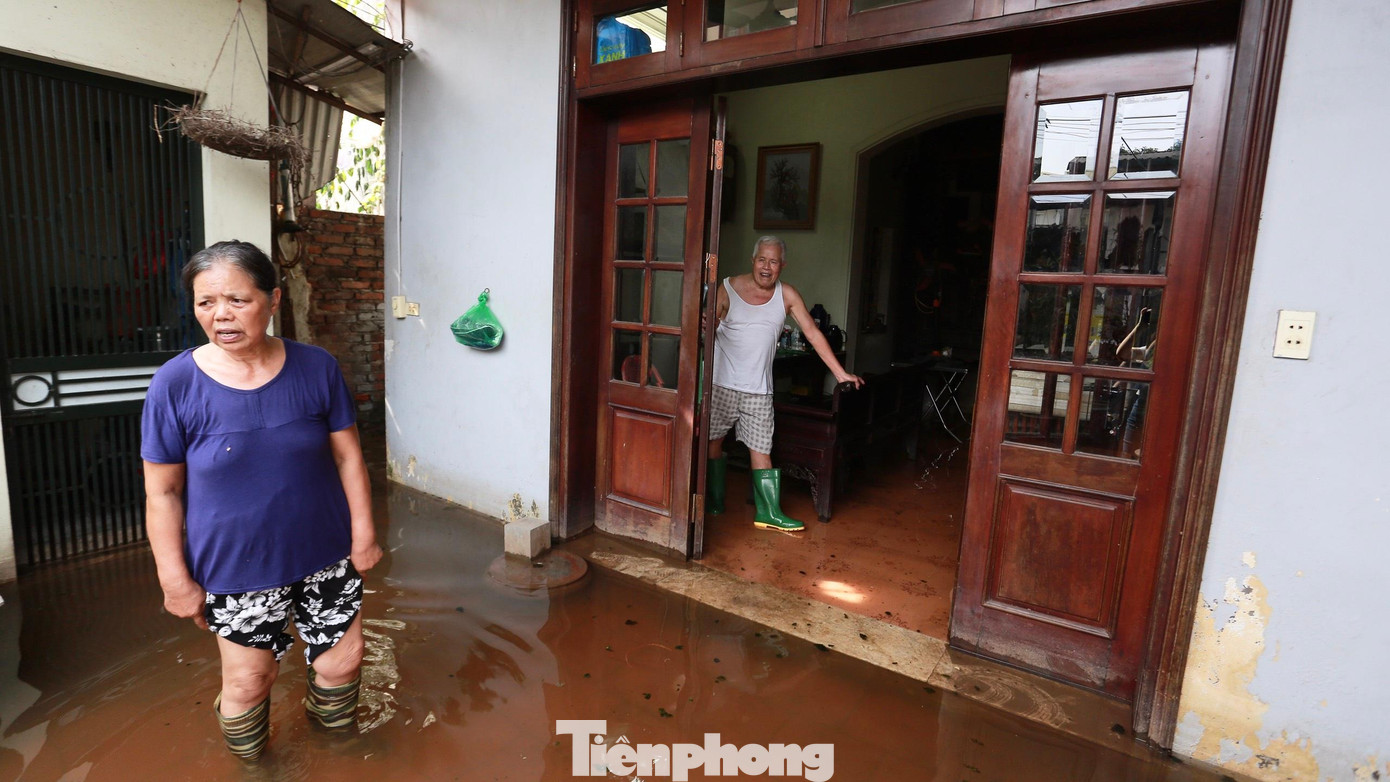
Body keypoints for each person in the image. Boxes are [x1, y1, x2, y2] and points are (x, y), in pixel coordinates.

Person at [141, 241, 382, 760]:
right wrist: (174, 579)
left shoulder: (316, 367)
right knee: (252, 679)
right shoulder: (175, 384)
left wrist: (363, 537)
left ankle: (338, 753)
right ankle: (255, 768)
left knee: (344, 661)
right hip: (236, 566)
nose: (220, 315)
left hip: (325, 553)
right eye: (206, 303)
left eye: (237, 300)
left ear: (272, 300)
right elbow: (163, 490)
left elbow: (348, 459)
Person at [706, 236, 863, 532]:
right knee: (713, 443)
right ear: (753, 260)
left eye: (774, 261)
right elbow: (705, 328)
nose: (767, 267)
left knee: (761, 448)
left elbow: (814, 335)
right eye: (762, 260)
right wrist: (707, 325)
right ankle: (714, 501)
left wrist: (841, 374)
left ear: (782, 265)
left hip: (759, 389)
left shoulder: (787, 295)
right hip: (721, 384)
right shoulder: (727, 287)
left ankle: (768, 513)